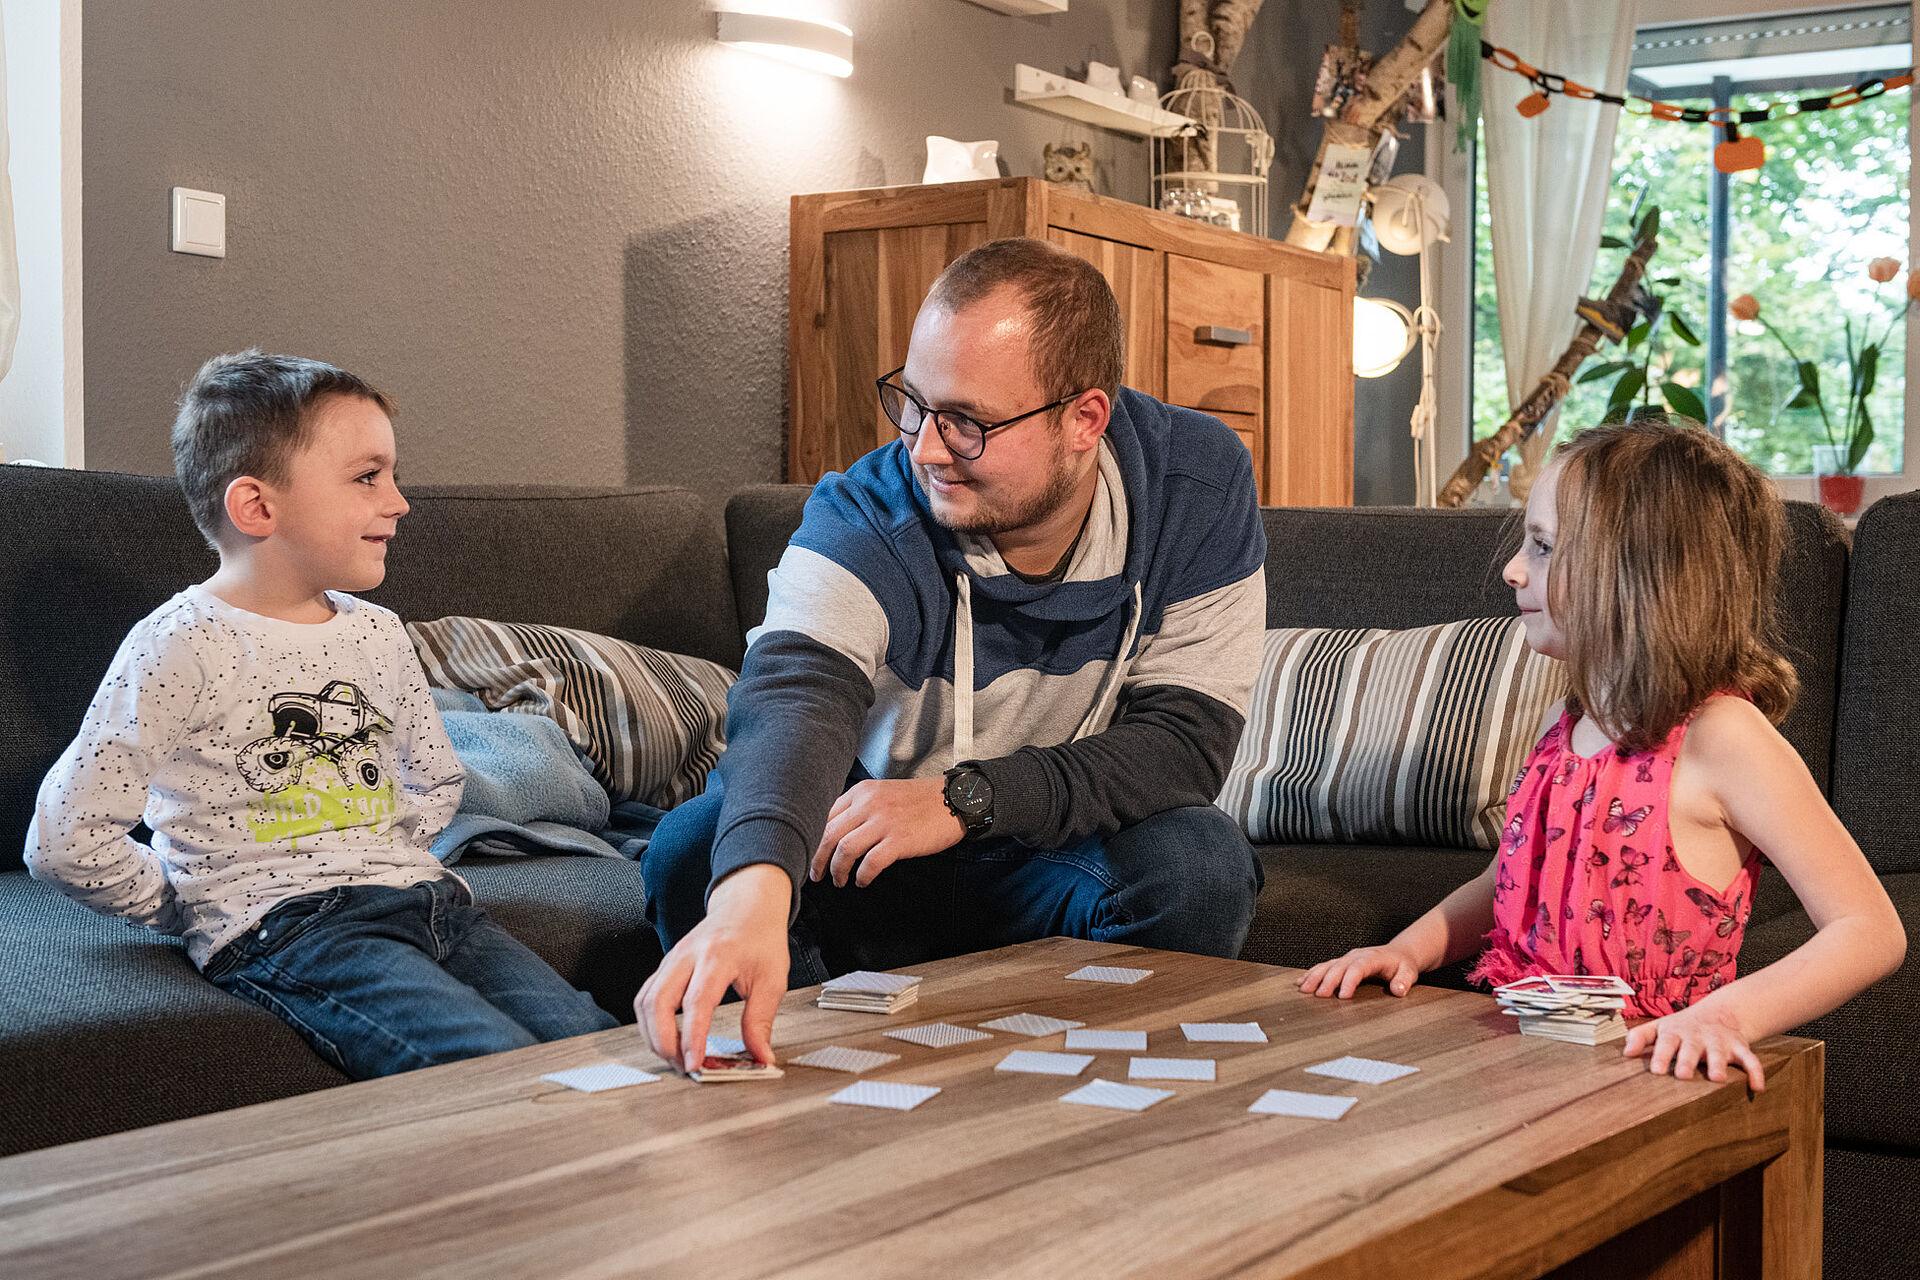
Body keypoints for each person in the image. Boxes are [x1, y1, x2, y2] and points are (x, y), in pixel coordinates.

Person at [638, 238, 1268, 1073]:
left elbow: (1185, 743)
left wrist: (966, 799)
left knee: (1200, 868)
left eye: (968, 421)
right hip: (864, 851)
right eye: (914, 403)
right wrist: (753, 893)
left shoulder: (1194, 482)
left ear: (1084, 419)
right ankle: (818, 1070)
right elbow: (797, 692)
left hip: (1051, 843)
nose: (926, 449)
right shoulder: (867, 513)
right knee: (696, 852)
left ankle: (1077, 1089)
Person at [25, 350, 617, 1079]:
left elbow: (432, 779)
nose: (398, 501)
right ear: (257, 507)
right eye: (368, 477)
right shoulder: (179, 644)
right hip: (293, 929)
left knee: (598, 1048)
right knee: (487, 1069)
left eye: (392, 476)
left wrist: (379, 856)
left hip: (428, 903)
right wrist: (187, 903)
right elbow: (65, 839)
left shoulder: (377, 631)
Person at [1299, 417, 1905, 1090]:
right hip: (1525, 1059)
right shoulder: (1570, 723)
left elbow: (1869, 929)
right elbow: (1508, 881)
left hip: (1654, 1073)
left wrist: (1725, 1019)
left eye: (1544, 547)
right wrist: (1405, 949)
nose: (1512, 569)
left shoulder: (1724, 736)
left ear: (1641, 573)